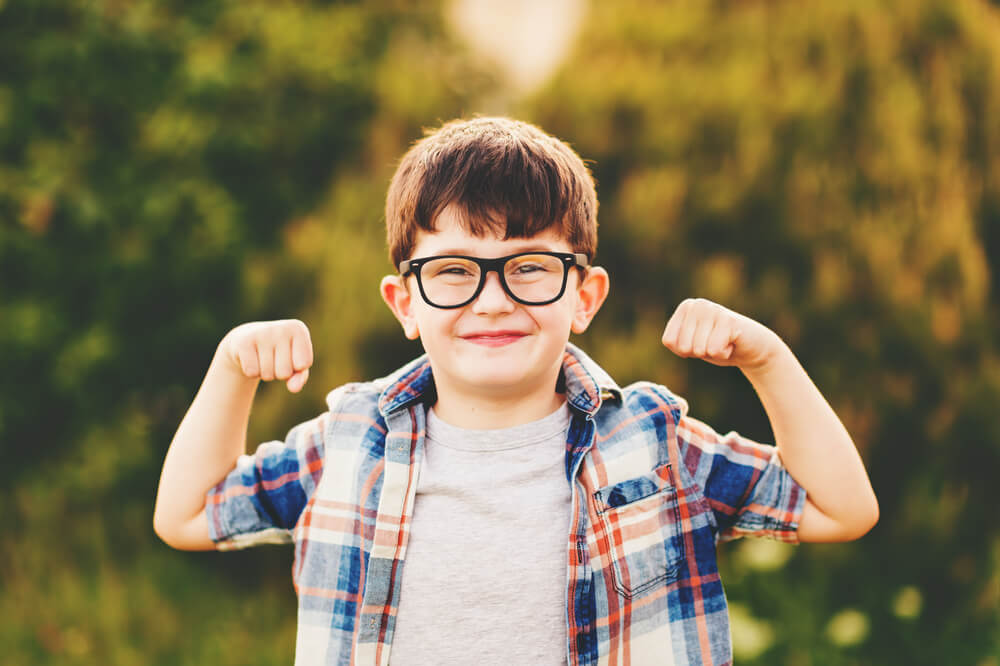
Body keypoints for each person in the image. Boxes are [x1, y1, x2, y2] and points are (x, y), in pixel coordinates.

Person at [153, 117, 879, 665]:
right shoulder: (348, 441)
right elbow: (188, 515)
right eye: (453, 271)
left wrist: (769, 360)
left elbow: (840, 508)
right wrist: (231, 370)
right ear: (404, 303)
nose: (493, 300)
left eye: (530, 266)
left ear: (585, 295)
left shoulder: (652, 442)